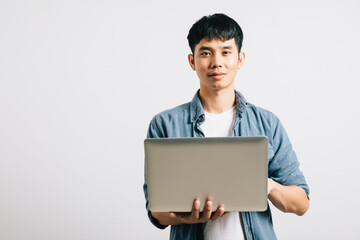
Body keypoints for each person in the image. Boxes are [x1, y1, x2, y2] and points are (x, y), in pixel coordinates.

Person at [143, 13, 309, 240]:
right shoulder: (164, 124)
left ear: (240, 59)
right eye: (205, 53)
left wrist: (266, 185)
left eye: (226, 51)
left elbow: (301, 203)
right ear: (192, 61)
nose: (216, 62)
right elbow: (156, 211)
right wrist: (187, 217)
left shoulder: (267, 123)